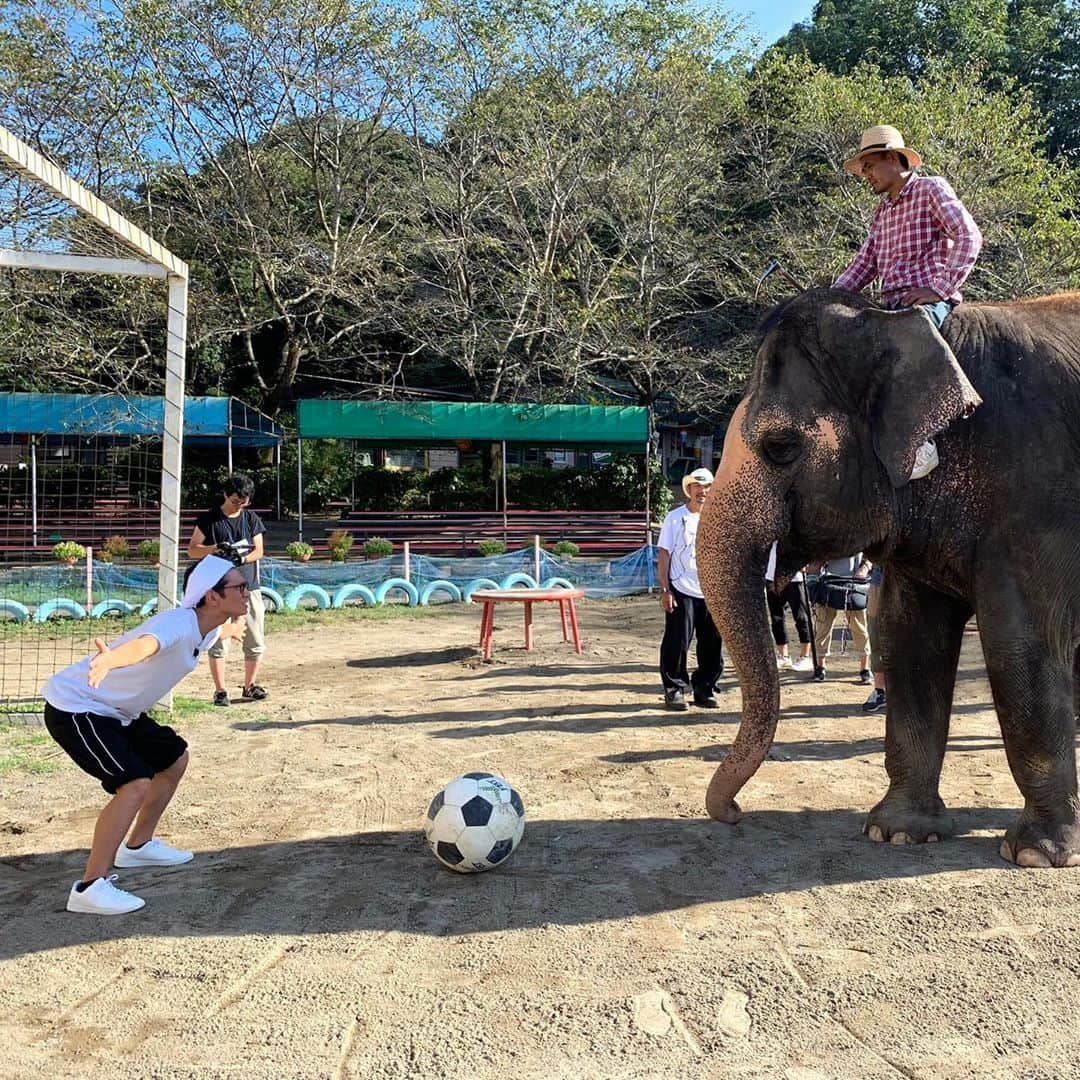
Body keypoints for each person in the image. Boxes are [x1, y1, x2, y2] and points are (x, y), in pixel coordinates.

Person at [41, 556, 248, 914]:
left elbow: (216, 634)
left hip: (119, 713)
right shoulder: (179, 623)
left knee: (174, 758)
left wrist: (231, 630)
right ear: (212, 597)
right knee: (135, 782)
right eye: (240, 587)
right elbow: (146, 644)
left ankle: (137, 847)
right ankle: (90, 887)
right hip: (78, 708)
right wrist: (111, 660)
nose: (248, 592)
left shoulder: (209, 626)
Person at [834, 124, 983, 479]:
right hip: (891, 305)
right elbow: (864, 264)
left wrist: (940, 288)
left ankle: (924, 439)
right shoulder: (882, 212)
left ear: (890, 157)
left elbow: (968, 235)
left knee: (911, 339)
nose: (866, 175)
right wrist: (827, 299)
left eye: (869, 166)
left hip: (926, 304)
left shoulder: (932, 189)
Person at [187, 473, 268, 705]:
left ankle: (250, 685)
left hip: (248, 586)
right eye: (235, 500)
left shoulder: (252, 519)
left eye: (244, 502)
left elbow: (259, 551)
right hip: (219, 590)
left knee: (254, 637)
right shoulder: (209, 519)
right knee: (218, 639)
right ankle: (220, 690)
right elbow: (192, 549)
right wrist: (213, 549)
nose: (239, 505)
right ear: (225, 495)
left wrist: (241, 560)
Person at [657, 467, 724, 711]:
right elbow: (664, 554)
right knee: (677, 641)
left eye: (707, 487)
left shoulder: (720, 519)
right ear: (689, 490)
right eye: (698, 487)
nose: (703, 492)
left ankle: (704, 687)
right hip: (682, 588)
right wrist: (665, 589)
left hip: (711, 591)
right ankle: (674, 688)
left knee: (712, 642)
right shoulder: (674, 518)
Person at [808, 554, 873, 685]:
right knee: (823, 626)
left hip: (856, 584)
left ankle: (865, 669)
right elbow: (816, 557)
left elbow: (871, 553)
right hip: (828, 582)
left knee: (860, 627)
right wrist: (812, 578)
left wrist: (865, 567)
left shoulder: (860, 534)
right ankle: (820, 667)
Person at [765, 542, 814, 673]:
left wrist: (805, 560)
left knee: (801, 618)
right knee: (777, 618)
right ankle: (783, 656)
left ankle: (805, 656)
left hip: (794, 577)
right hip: (772, 576)